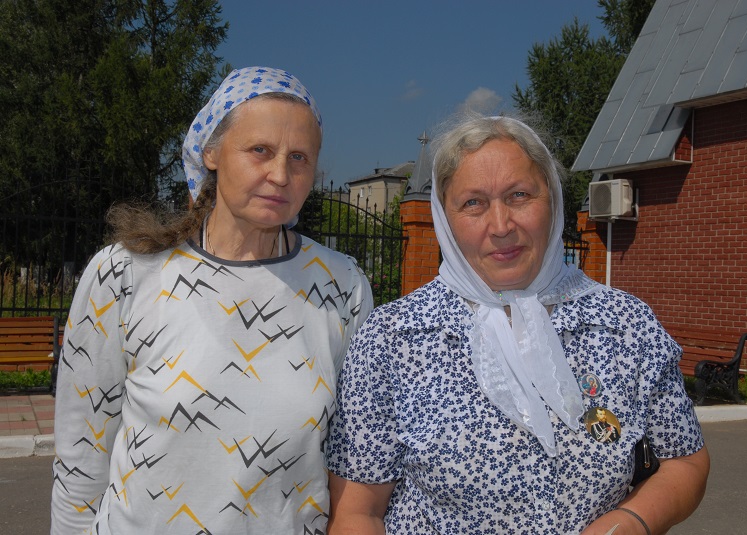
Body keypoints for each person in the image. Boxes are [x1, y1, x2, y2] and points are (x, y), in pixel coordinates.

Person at [326, 113, 709, 534]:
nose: (501, 225)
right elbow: (357, 512)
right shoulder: (392, 338)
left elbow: (685, 462)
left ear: (553, 200)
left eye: (519, 195)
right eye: (473, 203)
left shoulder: (625, 325)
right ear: (445, 219)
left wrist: (631, 522)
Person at [50, 66, 373, 534]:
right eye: (260, 150)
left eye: (299, 157)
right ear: (212, 152)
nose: (280, 174)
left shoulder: (341, 285)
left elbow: (354, 461)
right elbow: (80, 456)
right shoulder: (126, 274)